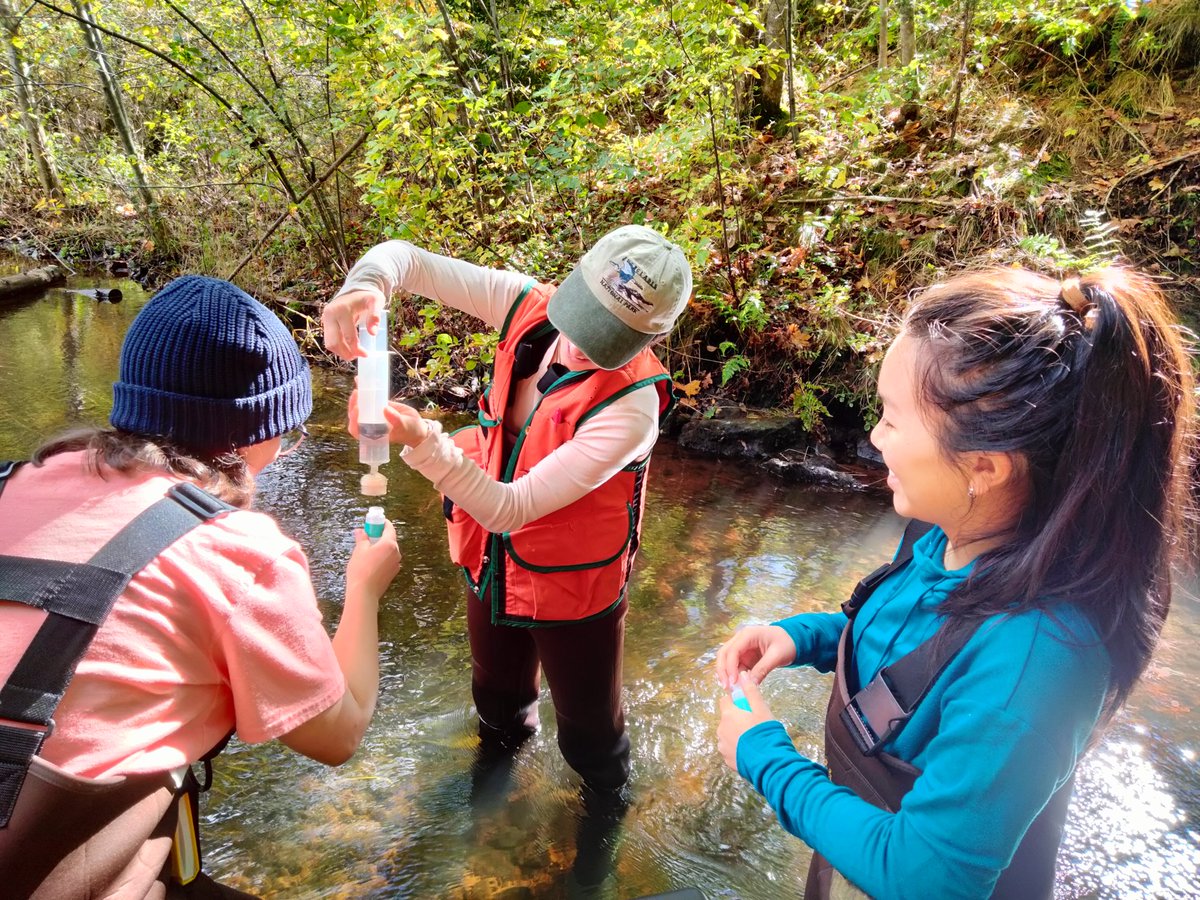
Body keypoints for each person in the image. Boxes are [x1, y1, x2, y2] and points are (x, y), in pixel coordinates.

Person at [714, 267, 1196, 900]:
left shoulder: (1041, 656)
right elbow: (908, 647)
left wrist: (763, 756)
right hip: (855, 858)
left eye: (891, 419)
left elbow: (925, 876)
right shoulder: (946, 532)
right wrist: (802, 638)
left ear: (983, 468)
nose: (874, 438)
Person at [0, 276, 402, 898]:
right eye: (288, 433)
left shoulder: (12, 481)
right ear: (251, 435)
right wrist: (365, 589)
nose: (284, 451)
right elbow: (337, 735)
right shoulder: (239, 552)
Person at [321, 225, 692, 800]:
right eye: (584, 316)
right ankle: (490, 805)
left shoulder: (632, 408)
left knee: (590, 737)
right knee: (496, 702)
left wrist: (421, 439)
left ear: (651, 337)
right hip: (492, 559)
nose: (581, 345)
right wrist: (365, 284)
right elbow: (405, 259)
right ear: (575, 280)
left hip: (574, 583)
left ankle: (602, 816)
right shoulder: (523, 303)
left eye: (609, 336)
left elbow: (509, 508)